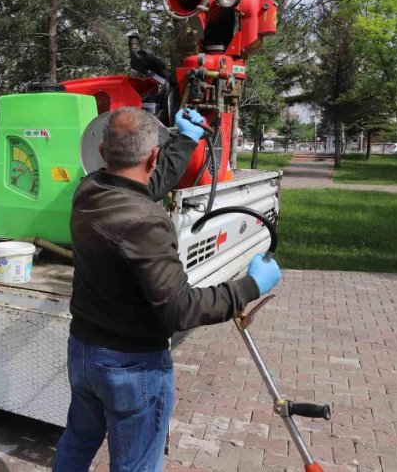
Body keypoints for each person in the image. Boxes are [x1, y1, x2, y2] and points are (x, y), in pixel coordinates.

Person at [52, 106, 281, 472]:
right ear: (153, 155)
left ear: (101, 152)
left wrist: (186, 141)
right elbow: (181, 309)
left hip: (83, 352)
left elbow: (145, 186)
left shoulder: (88, 189)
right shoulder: (147, 222)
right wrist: (251, 285)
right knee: (136, 465)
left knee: (78, 440)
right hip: (130, 367)